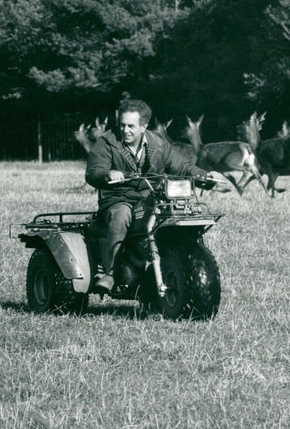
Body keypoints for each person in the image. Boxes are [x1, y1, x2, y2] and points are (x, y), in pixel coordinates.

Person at [85, 99, 216, 293]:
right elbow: (93, 171)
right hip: (118, 197)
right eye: (122, 125)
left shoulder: (159, 144)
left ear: (144, 126)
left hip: (149, 196)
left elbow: (182, 167)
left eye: (131, 126)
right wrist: (107, 174)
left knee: (179, 213)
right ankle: (111, 274)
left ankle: (182, 261)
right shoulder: (107, 142)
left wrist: (204, 176)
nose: (125, 130)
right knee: (121, 217)